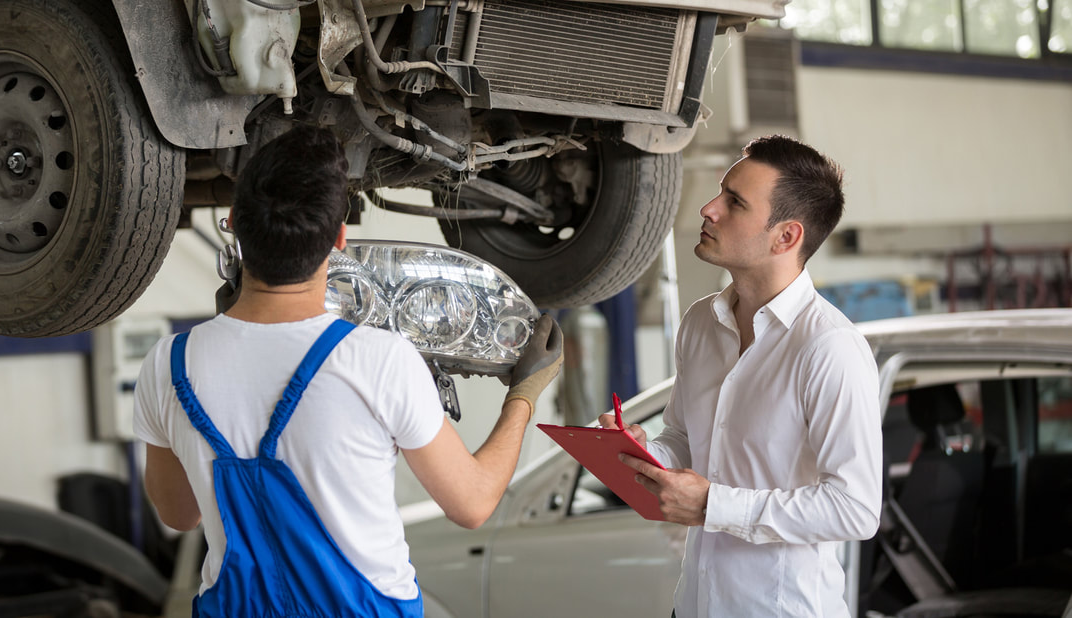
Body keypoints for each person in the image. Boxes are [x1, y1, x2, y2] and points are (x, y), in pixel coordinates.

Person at [133, 125, 563, 617]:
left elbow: (178, 513)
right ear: (339, 239)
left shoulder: (167, 365)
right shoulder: (378, 360)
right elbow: (473, 503)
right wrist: (524, 394)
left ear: (233, 223)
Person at [601, 135, 882, 616]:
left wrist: (716, 506)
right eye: (720, 193)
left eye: (734, 202)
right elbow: (685, 441)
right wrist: (641, 450)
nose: (708, 209)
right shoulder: (699, 323)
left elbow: (855, 508)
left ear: (786, 237)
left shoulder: (829, 347)